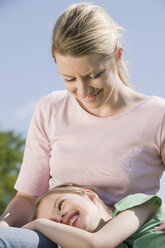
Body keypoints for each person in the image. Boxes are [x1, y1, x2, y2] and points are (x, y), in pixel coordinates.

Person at [1, 2, 165, 247]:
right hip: (55, 239)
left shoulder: (156, 114)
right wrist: (4, 225)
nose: (83, 90)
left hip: (129, 239)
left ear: (117, 55)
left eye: (93, 75)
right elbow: (28, 197)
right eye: (70, 79)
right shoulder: (51, 109)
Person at [22, 183, 165, 248]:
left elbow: (99, 243)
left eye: (61, 205)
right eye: (54, 224)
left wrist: (38, 224)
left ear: (90, 196)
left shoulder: (137, 204)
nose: (60, 217)